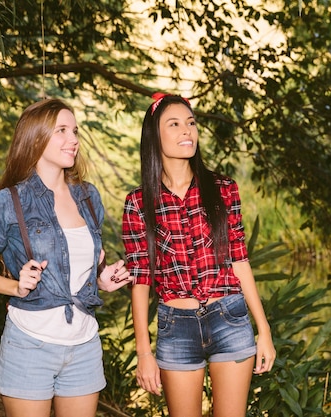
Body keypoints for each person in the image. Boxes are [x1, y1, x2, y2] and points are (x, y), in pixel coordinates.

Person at [0, 98, 130, 417]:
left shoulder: (88, 197)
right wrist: (15, 287)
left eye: (75, 131)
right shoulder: (10, 201)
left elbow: (81, 263)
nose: (74, 139)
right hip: (29, 346)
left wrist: (102, 278)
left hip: (84, 344)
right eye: (61, 130)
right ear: (36, 137)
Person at [122, 93, 276, 417]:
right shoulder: (138, 203)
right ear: (155, 135)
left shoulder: (223, 188)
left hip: (229, 317)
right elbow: (140, 278)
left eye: (190, 123)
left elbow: (240, 259)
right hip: (175, 325)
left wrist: (264, 330)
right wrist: (143, 351)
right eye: (174, 124)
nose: (186, 131)